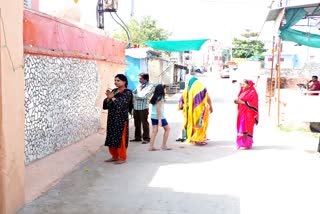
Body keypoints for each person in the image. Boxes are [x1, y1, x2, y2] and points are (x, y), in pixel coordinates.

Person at [103, 74, 133, 164]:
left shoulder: (127, 92)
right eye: (115, 80)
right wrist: (108, 99)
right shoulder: (114, 91)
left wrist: (112, 99)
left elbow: (121, 104)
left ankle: (122, 157)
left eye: (118, 80)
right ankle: (114, 156)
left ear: (124, 82)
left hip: (121, 119)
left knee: (120, 138)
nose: (116, 82)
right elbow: (106, 106)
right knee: (111, 137)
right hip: (112, 118)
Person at [178, 76, 213, 145]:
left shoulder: (187, 89)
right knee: (199, 123)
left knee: (187, 123)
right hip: (199, 110)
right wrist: (211, 107)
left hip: (189, 112)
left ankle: (186, 136)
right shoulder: (201, 87)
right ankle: (197, 139)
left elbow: (180, 102)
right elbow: (208, 97)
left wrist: (182, 108)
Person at [234, 79, 259, 150]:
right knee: (240, 126)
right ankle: (240, 143)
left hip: (248, 113)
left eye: (243, 84)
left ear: (249, 85)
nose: (242, 86)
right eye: (241, 84)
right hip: (241, 112)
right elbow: (240, 99)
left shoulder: (253, 92)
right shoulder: (243, 91)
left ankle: (246, 144)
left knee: (246, 127)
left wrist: (242, 102)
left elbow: (254, 104)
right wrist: (237, 101)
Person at [131, 73, 155, 144]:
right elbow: (133, 92)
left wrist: (135, 96)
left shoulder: (151, 86)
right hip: (136, 107)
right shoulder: (139, 85)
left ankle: (146, 138)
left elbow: (144, 97)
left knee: (144, 123)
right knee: (136, 123)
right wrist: (135, 95)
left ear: (146, 79)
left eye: (141, 79)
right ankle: (137, 137)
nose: (139, 80)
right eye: (139, 79)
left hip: (143, 107)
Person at [148, 84, 171, 151]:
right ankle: (164, 145)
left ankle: (151, 147)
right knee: (167, 129)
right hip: (159, 117)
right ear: (162, 90)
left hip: (153, 116)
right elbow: (158, 109)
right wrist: (160, 120)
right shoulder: (161, 98)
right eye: (164, 89)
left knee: (154, 131)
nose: (165, 90)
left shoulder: (155, 97)